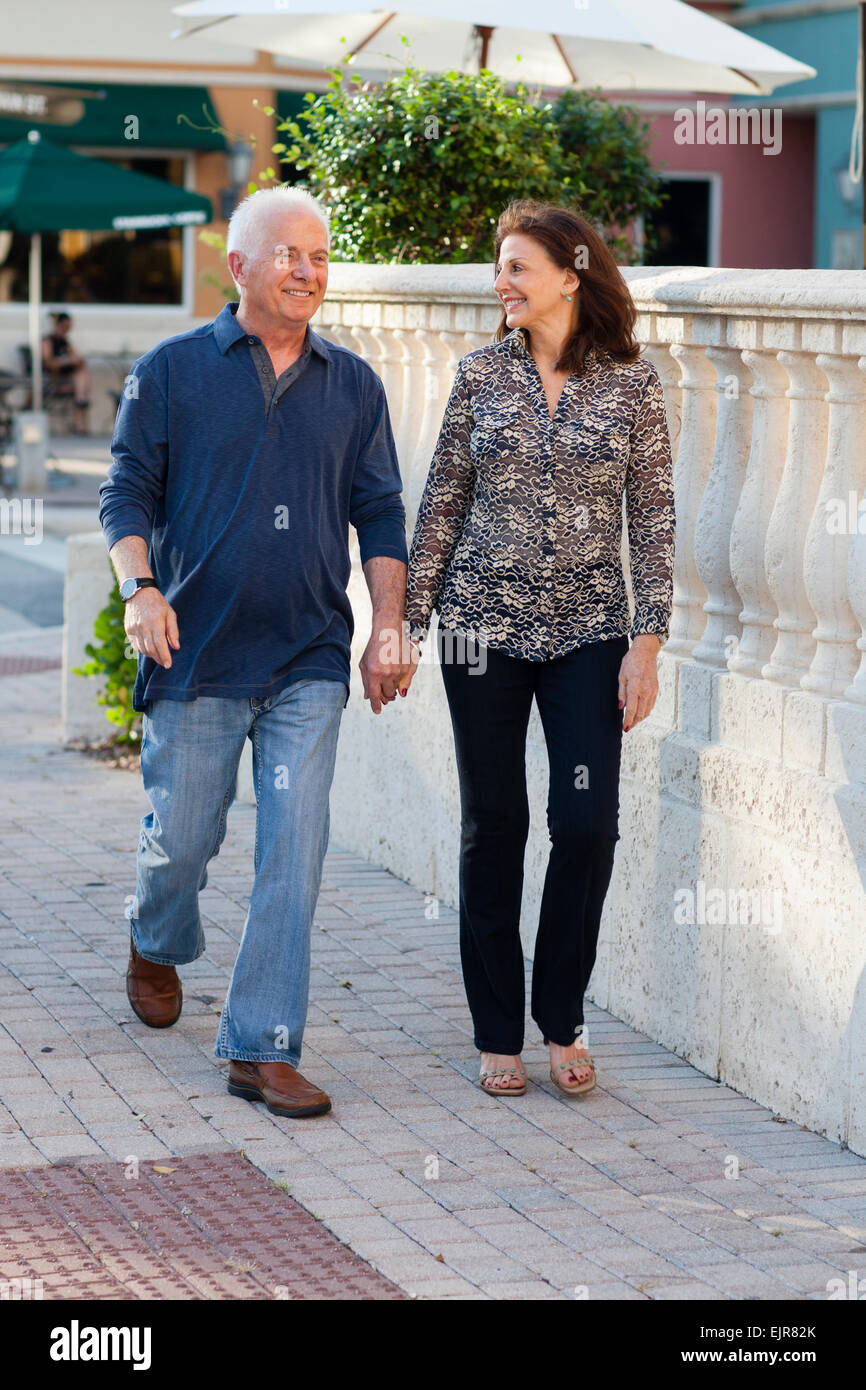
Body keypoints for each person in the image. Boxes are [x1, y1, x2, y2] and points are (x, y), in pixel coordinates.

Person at [98, 186, 412, 1119]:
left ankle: (261, 1045)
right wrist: (139, 589)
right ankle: (156, 938)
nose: (309, 272)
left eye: (319, 257)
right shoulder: (173, 371)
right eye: (288, 256)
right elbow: (124, 493)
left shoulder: (353, 384)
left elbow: (381, 511)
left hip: (308, 659)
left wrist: (386, 622)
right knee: (182, 842)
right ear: (239, 267)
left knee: (295, 848)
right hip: (197, 653)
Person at [402, 200, 675, 1099]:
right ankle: (497, 1029)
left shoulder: (634, 386)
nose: (501, 282)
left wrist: (648, 641)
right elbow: (441, 504)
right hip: (482, 630)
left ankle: (563, 1014)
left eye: (517, 266)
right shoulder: (480, 375)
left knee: (587, 825)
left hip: (591, 634)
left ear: (573, 271)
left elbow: (655, 521)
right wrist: (403, 627)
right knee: (496, 826)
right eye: (497, 267)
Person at [41, 311, 90, 434]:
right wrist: (66, 361)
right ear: (57, 325)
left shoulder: (65, 342)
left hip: (68, 380)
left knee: (81, 372)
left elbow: (79, 359)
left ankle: (80, 402)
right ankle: (79, 417)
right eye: (64, 327)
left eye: (68, 328)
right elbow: (47, 363)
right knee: (80, 378)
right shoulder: (48, 341)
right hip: (52, 379)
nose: (66, 330)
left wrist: (73, 358)